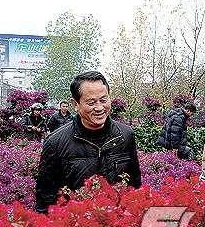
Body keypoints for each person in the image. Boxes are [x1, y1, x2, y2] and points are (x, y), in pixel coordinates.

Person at [36, 71, 142, 213]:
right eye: (91, 102)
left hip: (118, 226)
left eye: (104, 100)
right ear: (75, 104)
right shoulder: (55, 142)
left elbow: (134, 185)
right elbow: (45, 198)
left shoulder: (125, 135)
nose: (99, 108)